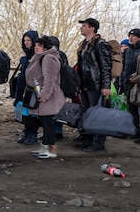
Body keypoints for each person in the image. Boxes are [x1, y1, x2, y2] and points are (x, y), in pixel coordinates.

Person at [23, 36, 66, 158]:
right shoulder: (40, 57)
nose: (36, 48)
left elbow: (50, 79)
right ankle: (45, 146)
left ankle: (51, 149)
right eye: (35, 45)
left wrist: (45, 95)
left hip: (48, 96)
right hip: (40, 93)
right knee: (43, 121)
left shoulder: (48, 58)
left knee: (48, 123)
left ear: (46, 47)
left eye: (39, 46)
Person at [75, 18, 112, 152]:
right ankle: (88, 138)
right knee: (87, 112)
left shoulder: (101, 44)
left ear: (92, 28)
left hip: (95, 84)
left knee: (97, 113)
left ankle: (98, 142)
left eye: (84, 26)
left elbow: (105, 66)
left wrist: (106, 86)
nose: (81, 28)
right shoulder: (84, 44)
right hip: (86, 84)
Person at [14, 30, 39, 145]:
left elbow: (30, 69)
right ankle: (27, 133)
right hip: (23, 87)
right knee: (24, 112)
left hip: (33, 87)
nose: (26, 43)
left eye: (29, 40)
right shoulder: (27, 53)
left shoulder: (36, 55)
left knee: (32, 113)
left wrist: (23, 60)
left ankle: (32, 134)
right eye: (25, 40)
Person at [119, 28, 140, 140]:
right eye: (129, 36)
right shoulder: (128, 51)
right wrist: (123, 82)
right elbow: (124, 68)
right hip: (128, 84)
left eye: (133, 36)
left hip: (137, 84)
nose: (130, 38)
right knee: (132, 110)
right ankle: (135, 131)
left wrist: (134, 79)